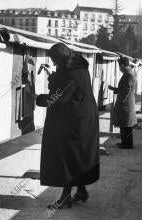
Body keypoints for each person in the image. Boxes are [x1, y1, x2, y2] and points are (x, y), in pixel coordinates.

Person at [35, 43, 100, 209]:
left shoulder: (72, 74)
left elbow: (57, 98)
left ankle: (65, 198)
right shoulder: (79, 67)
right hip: (84, 118)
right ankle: (81, 191)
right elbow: (64, 86)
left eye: (55, 62)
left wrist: (36, 98)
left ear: (61, 59)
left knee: (67, 157)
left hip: (75, 122)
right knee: (78, 156)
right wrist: (53, 75)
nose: (55, 65)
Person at [108, 57, 138, 149]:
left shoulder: (128, 74)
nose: (119, 69)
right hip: (127, 102)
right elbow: (124, 88)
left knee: (126, 124)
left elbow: (127, 89)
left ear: (122, 65)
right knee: (125, 124)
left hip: (126, 104)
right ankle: (124, 142)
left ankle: (127, 144)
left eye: (119, 66)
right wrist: (114, 89)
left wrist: (121, 101)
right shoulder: (130, 73)